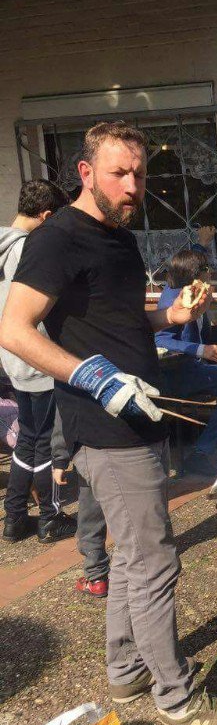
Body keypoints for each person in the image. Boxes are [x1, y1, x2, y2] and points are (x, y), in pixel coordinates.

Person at [0, 120, 217, 725]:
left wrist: (167, 312)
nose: (132, 185)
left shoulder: (116, 236)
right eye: (119, 172)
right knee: (155, 560)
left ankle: (125, 672)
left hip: (140, 418)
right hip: (106, 427)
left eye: (139, 174)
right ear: (86, 172)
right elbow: (14, 329)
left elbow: (115, 316)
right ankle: (178, 696)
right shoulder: (58, 239)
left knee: (133, 557)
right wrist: (94, 377)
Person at [0, 180, 77, 543]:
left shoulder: (2, 246)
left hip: (13, 359)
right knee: (45, 440)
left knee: (28, 439)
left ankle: (14, 518)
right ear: (46, 216)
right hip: (38, 359)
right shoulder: (28, 250)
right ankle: (50, 518)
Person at [156, 249, 217, 477]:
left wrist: (203, 243)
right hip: (178, 374)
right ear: (195, 273)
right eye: (207, 268)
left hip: (195, 369)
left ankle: (204, 452)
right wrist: (202, 350)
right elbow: (159, 338)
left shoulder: (195, 291)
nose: (211, 272)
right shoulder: (174, 298)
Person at [51, 408, 110, 598]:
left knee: (91, 516)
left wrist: (60, 459)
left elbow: (64, 414)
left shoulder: (74, 377)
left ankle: (97, 577)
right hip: (134, 449)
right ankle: (143, 566)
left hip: (91, 450)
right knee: (137, 514)